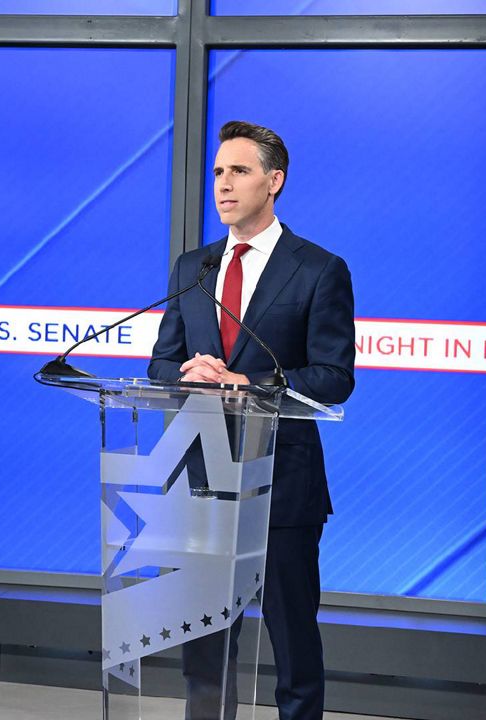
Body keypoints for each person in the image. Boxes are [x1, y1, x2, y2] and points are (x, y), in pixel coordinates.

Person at [148, 120, 355, 720]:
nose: (223, 184)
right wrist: (188, 372)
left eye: (238, 170)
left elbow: (333, 376)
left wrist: (250, 383)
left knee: (291, 637)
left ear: (274, 181)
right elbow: (160, 365)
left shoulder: (319, 269)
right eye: (218, 171)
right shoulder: (193, 267)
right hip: (203, 473)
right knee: (205, 644)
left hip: (281, 480)